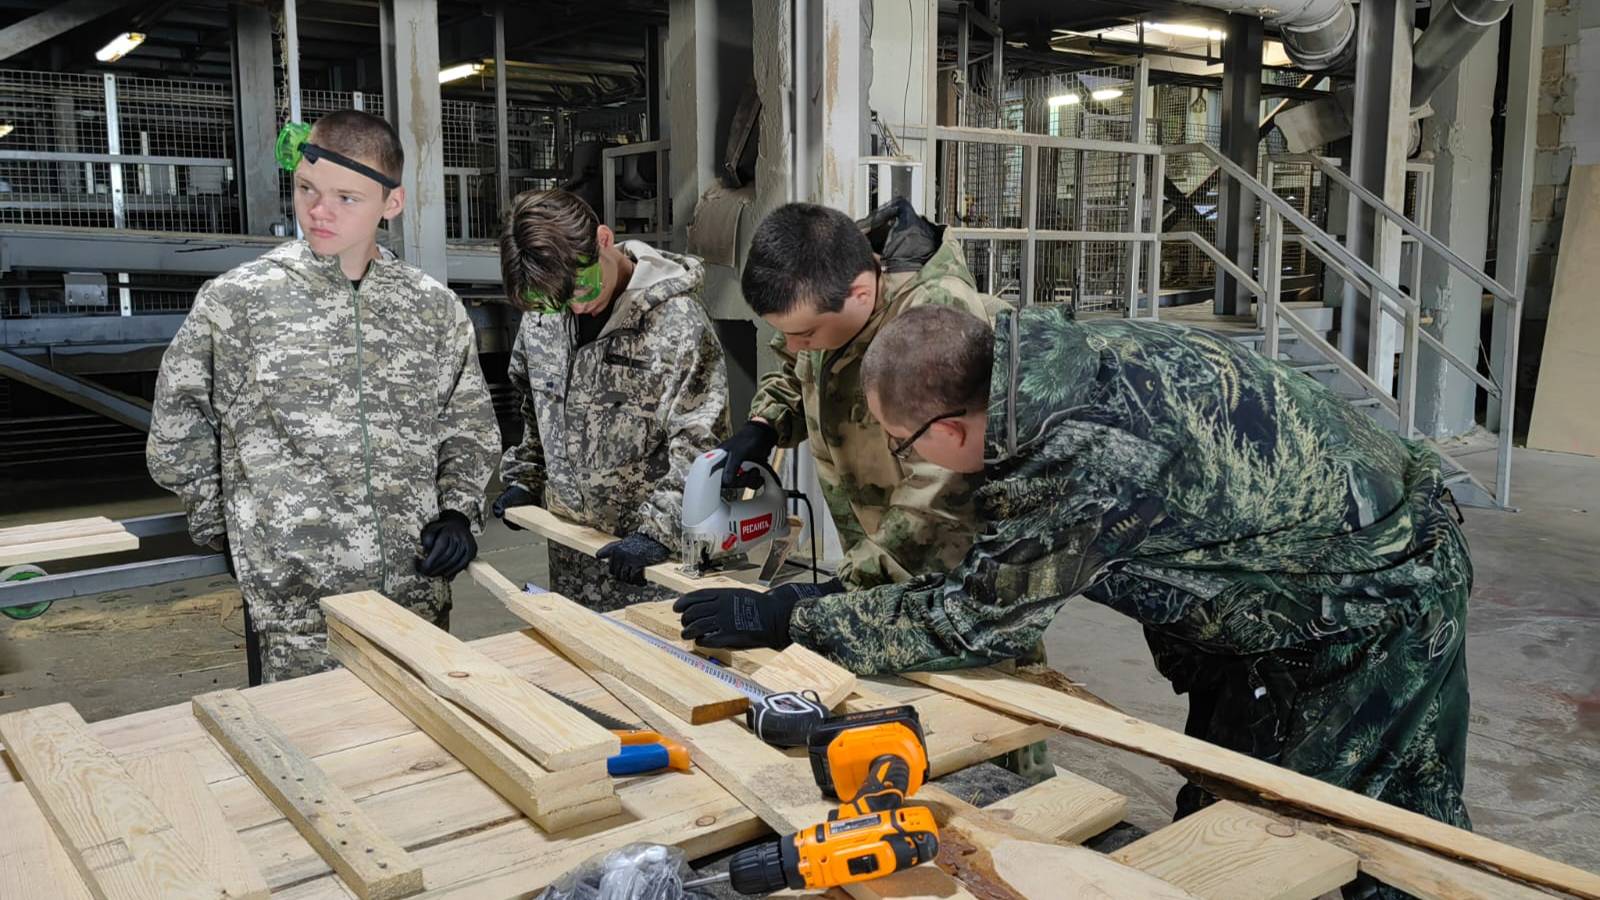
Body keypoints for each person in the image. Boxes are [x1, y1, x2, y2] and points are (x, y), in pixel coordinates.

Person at [678, 304, 1474, 840]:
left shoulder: (1087, 456)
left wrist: (789, 617)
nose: (903, 458)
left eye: (904, 440)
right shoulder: (1040, 367)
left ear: (952, 423)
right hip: (1274, 590)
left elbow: (976, 617)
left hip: (1375, 604)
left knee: (1353, 831)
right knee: (1222, 806)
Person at [148, 110, 500, 684]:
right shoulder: (238, 303)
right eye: (307, 189)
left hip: (414, 598)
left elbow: (467, 425)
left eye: (346, 198)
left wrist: (460, 511)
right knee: (310, 755)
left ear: (392, 203)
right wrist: (232, 531)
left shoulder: (431, 308)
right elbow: (176, 429)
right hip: (296, 611)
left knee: (416, 757)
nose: (319, 211)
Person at [718, 199, 1002, 603]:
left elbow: (941, 494)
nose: (796, 345)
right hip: (875, 571)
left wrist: (843, 589)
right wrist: (764, 425)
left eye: (807, 334)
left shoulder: (936, 317)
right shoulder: (826, 283)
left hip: (949, 590)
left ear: (861, 293)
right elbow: (799, 369)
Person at [490, 188, 729, 611]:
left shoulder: (676, 322)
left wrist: (658, 532)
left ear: (603, 239)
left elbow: (701, 445)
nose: (578, 307)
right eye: (559, 300)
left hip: (655, 569)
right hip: (572, 556)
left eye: (582, 285)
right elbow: (535, 408)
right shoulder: (545, 315)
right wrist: (527, 477)